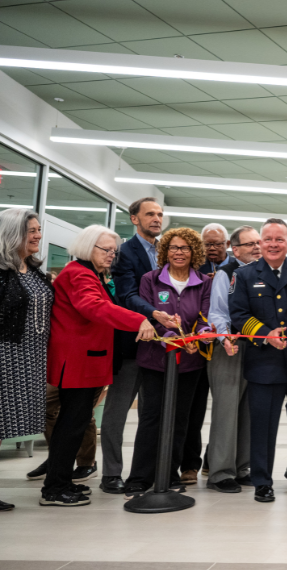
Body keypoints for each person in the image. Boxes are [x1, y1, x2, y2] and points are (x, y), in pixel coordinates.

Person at [43, 225, 156, 506]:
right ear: (87, 247)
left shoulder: (91, 273)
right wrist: (137, 320)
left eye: (113, 251)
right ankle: (54, 488)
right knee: (71, 424)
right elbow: (93, 307)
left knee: (76, 423)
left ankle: (61, 480)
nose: (111, 255)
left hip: (87, 360)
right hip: (79, 360)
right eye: (105, 250)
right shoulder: (79, 274)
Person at [229, 218, 287, 503]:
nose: (272, 244)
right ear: (259, 244)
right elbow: (239, 315)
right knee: (263, 424)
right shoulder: (243, 275)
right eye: (266, 239)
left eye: (278, 239)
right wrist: (266, 334)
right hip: (263, 361)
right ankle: (262, 479)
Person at [122, 227, 213, 497]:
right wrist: (170, 336)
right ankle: (140, 476)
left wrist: (203, 336)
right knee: (151, 418)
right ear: (165, 251)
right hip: (155, 361)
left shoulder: (204, 282)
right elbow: (150, 314)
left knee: (179, 420)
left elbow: (205, 317)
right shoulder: (150, 279)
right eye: (173, 247)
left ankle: (169, 474)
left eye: (185, 247)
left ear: (194, 251)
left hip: (189, 363)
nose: (179, 252)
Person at [101, 197, 172, 494]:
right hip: (132, 342)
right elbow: (127, 295)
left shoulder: (168, 252)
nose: (157, 219)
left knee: (153, 412)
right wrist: (154, 314)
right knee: (117, 410)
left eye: (160, 214)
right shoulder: (125, 253)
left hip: (163, 345)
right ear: (134, 219)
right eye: (150, 214)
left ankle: (146, 471)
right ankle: (111, 474)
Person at [0, 209, 54, 511]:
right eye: (31, 231)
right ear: (12, 234)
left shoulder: (33, 270)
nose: (37, 236)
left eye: (38, 230)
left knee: (5, 422)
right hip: (6, 353)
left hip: (31, 355)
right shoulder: (2, 271)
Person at [204, 225, 261, 493]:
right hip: (230, 347)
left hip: (258, 349)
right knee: (226, 410)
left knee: (248, 411)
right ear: (235, 249)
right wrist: (225, 338)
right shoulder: (225, 274)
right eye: (250, 244)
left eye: (258, 243)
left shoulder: (264, 272)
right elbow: (217, 312)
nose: (257, 247)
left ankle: (241, 467)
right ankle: (220, 472)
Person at [178, 222, 233, 484]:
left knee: (225, 409)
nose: (212, 249)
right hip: (197, 351)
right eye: (207, 244)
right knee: (194, 409)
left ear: (228, 245)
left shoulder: (237, 269)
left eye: (217, 244)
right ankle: (190, 464)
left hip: (227, 348)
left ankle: (216, 460)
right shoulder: (191, 270)